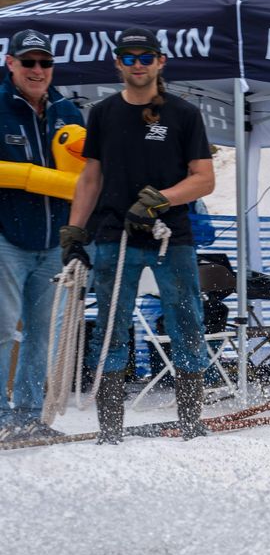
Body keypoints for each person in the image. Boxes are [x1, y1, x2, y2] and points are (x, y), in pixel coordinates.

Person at [62, 26, 214, 444]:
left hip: (171, 236)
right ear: (117, 63)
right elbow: (90, 177)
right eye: (129, 57)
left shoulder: (184, 114)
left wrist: (160, 199)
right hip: (114, 235)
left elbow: (204, 179)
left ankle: (191, 423)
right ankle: (110, 430)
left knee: (187, 323)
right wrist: (74, 231)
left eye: (146, 57)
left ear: (160, 62)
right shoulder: (103, 113)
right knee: (110, 327)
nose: (138, 64)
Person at [0, 29, 84, 442]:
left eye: (45, 62)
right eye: (28, 62)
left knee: (42, 334)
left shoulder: (69, 112)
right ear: (10, 63)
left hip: (55, 243)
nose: (37, 70)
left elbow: (89, 175)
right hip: (6, 239)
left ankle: (30, 417)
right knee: (2, 331)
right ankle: (1, 418)